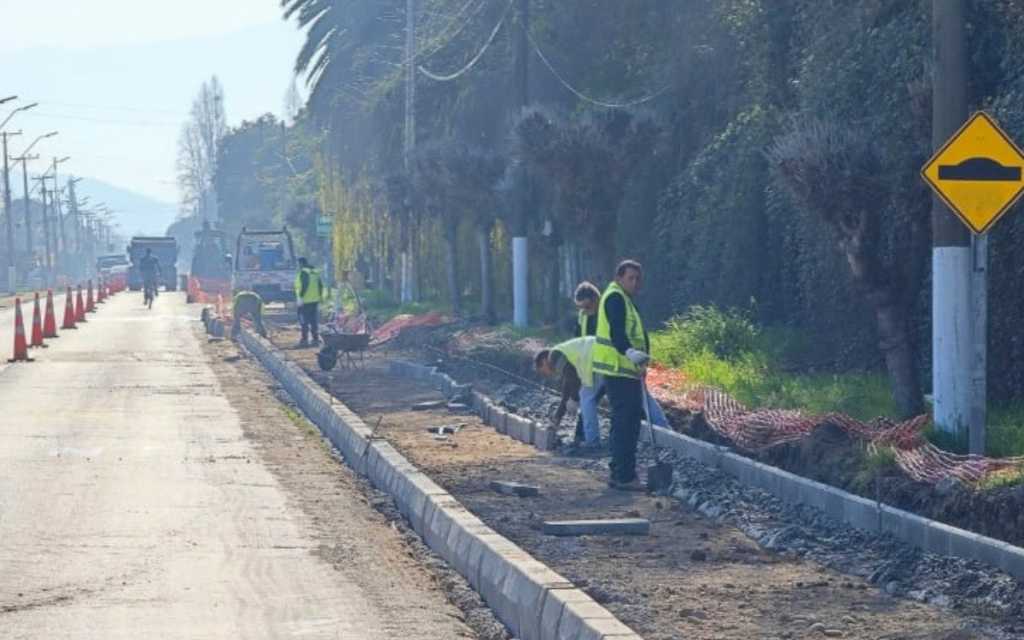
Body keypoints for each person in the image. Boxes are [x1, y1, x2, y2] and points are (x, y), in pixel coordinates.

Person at [593, 259, 651, 491]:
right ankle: (624, 475)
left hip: (626, 370)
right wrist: (630, 352)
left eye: (637, 279)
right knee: (626, 423)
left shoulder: (624, 298)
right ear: (619, 278)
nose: (634, 283)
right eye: (630, 278)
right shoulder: (616, 297)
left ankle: (621, 473)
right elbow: (617, 331)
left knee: (625, 422)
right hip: (618, 369)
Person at [294, 257, 326, 347]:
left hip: (305, 301)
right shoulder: (314, 273)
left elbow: (304, 285)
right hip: (314, 301)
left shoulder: (304, 273)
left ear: (301, 264)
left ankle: (304, 340)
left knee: (303, 320)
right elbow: (320, 286)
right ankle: (315, 339)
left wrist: (300, 296)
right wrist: (319, 296)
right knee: (313, 321)